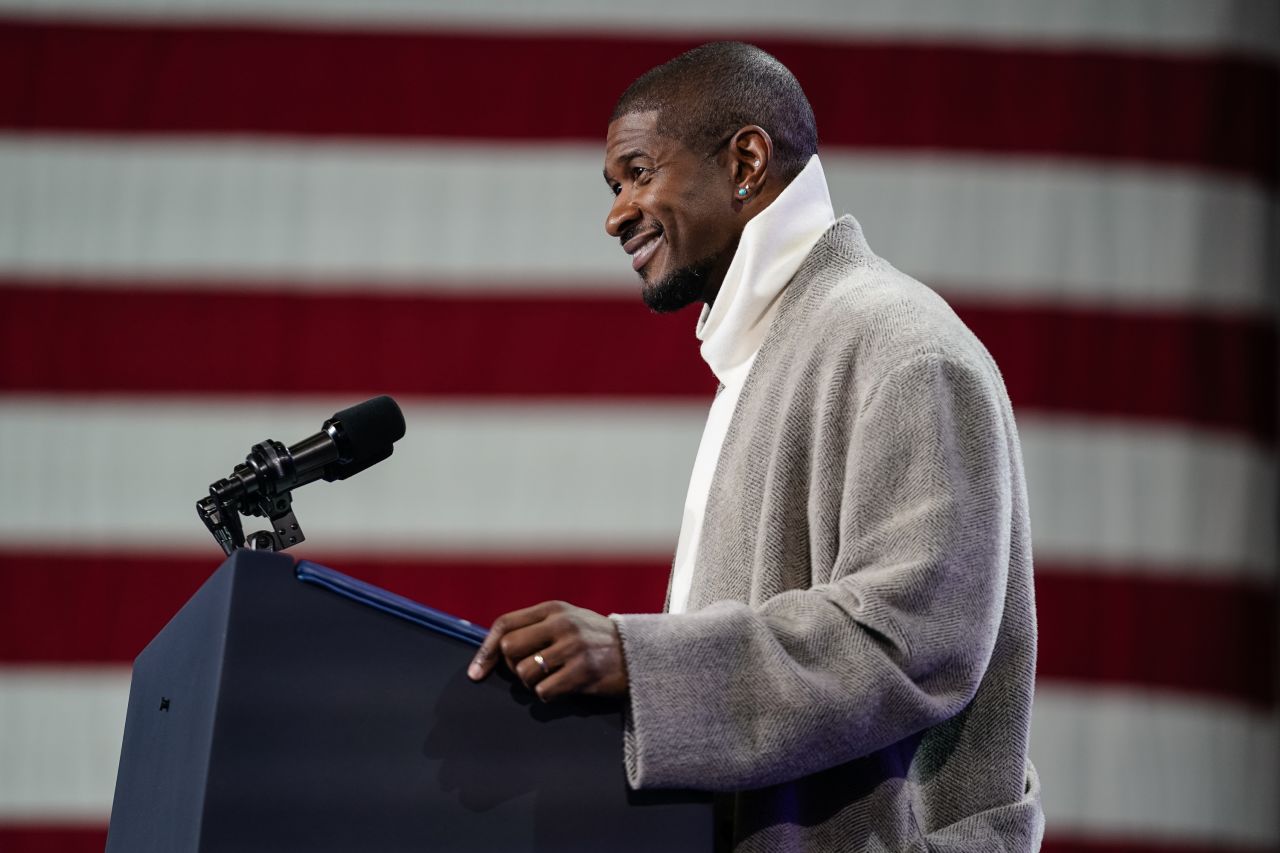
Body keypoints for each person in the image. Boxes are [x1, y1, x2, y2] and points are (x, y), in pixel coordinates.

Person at [467, 41, 1043, 851]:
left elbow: (912, 639)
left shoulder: (902, 346)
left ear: (745, 161)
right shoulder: (775, 354)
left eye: (637, 173)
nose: (615, 212)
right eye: (613, 186)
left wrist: (639, 661)